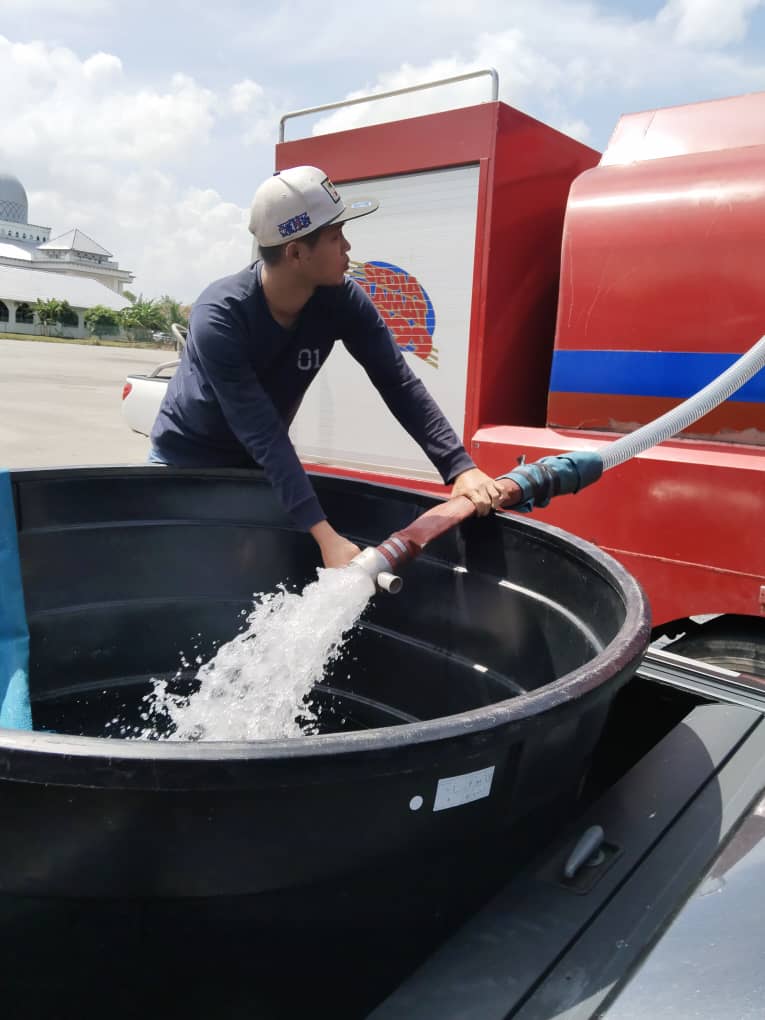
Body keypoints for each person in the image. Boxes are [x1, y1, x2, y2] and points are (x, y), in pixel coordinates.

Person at [150, 165, 502, 568]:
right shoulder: (220, 317)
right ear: (296, 253)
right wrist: (325, 536)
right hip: (186, 460)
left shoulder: (341, 300)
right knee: (184, 568)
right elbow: (263, 432)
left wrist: (459, 467)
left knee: (249, 572)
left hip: (256, 463)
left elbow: (398, 383)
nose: (348, 247)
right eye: (336, 237)